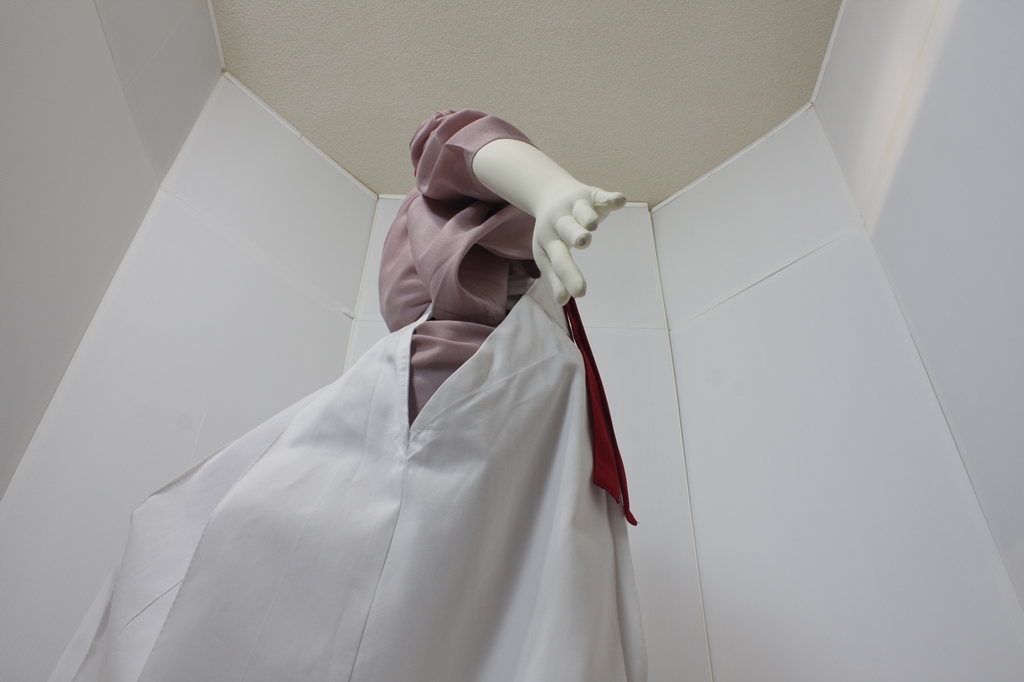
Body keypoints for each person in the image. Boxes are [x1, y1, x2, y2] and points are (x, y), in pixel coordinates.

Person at [50, 110, 646, 682]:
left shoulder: (519, 309)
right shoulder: (476, 309)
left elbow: (460, 141)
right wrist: (548, 190)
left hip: (507, 419)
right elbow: (451, 139)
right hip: (473, 403)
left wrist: (546, 193)